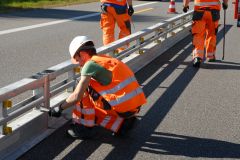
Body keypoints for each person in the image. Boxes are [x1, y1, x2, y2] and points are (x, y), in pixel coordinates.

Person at [48, 36, 146, 139]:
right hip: (134, 106)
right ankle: (123, 124)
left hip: (122, 107)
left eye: (78, 60)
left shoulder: (89, 65)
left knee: (83, 90)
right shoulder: (105, 59)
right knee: (94, 109)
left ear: (82, 54)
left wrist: (59, 108)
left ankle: (84, 128)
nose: (79, 64)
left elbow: (77, 95)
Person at [183, 0, 228, 67]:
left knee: (198, 35)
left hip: (199, 12)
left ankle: (197, 57)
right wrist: (225, 4)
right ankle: (210, 55)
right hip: (214, 12)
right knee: (212, 34)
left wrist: (185, 6)